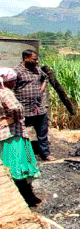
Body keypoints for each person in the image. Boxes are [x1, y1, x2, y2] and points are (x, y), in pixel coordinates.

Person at [0, 67, 42, 207]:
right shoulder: (5, 92)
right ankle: (28, 199)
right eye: (11, 81)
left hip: (2, 137)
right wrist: (14, 118)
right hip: (12, 134)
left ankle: (22, 198)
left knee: (9, 168)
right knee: (18, 167)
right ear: (6, 81)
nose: (13, 83)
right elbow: (16, 108)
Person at [12, 50, 53, 161]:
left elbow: (45, 78)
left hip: (38, 108)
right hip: (24, 109)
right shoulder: (16, 72)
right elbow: (11, 88)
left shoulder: (37, 70)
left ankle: (45, 154)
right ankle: (20, 156)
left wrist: (41, 89)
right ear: (26, 58)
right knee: (19, 133)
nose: (37, 61)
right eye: (34, 59)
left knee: (42, 133)